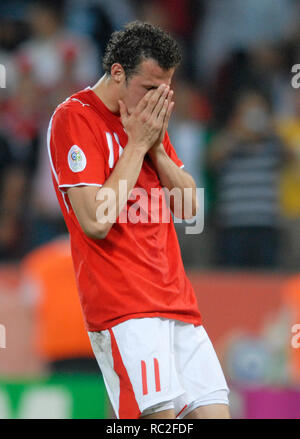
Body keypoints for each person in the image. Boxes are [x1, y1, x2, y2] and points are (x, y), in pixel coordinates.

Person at [47, 21, 229, 420]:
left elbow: (188, 208)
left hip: (178, 303)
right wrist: (137, 145)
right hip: (126, 310)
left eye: (166, 89)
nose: (158, 99)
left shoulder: (147, 123)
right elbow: (96, 220)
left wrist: (157, 149)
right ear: (117, 73)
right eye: (149, 88)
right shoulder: (74, 120)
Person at [208, 90, 289, 269]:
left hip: (266, 224)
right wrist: (239, 134)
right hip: (234, 225)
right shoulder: (228, 139)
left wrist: (270, 130)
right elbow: (211, 159)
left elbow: (289, 156)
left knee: (267, 282)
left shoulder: (272, 141)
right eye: (248, 112)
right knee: (233, 282)